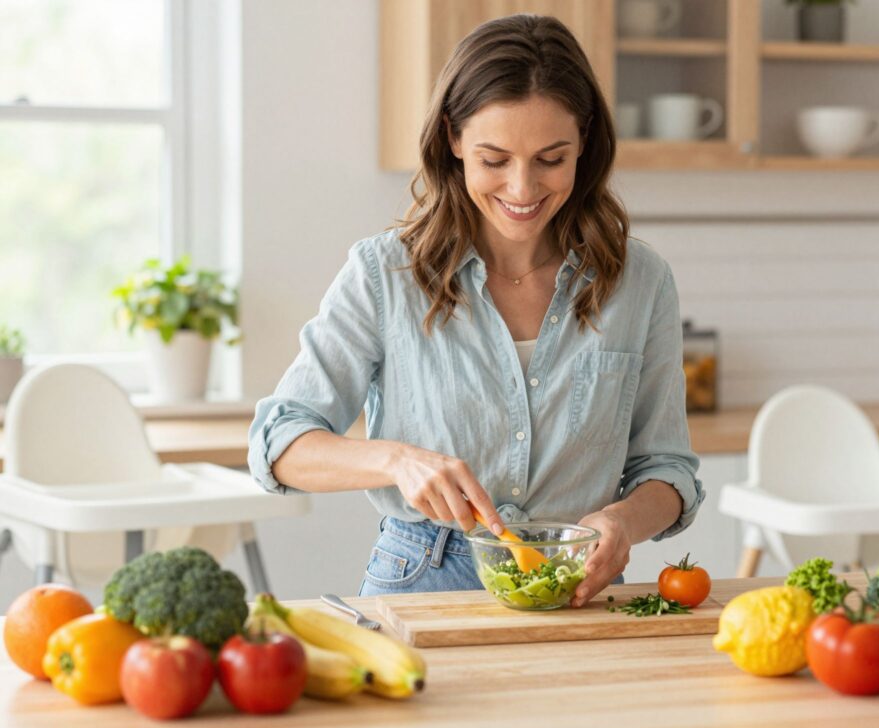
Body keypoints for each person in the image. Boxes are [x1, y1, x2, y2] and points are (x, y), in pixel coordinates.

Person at [248, 14, 704, 606]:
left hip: (581, 588)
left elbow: (667, 469)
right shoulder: (386, 274)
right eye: (494, 160)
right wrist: (397, 461)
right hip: (423, 579)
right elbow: (278, 444)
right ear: (453, 139)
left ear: (585, 143)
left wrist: (624, 523)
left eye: (551, 159)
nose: (522, 188)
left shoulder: (640, 282)